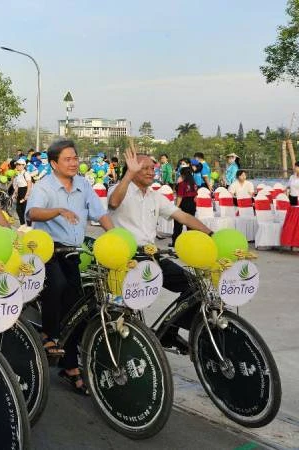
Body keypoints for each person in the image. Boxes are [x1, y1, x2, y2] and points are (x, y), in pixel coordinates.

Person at [26, 138, 113, 395]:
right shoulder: (45, 186)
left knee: (77, 308)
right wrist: (57, 211)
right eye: (67, 159)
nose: (74, 163)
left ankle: (70, 365)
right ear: (54, 163)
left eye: (75, 158)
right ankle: (48, 335)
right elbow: (32, 213)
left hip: (72, 253)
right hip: (48, 250)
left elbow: (101, 214)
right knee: (58, 285)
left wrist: (117, 237)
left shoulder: (83, 185)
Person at [107, 147, 213, 351]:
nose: (150, 171)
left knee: (195, 286)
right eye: (144, 167)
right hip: (126, 257)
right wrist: (128, 175)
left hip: (151, 255)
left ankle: (169, 330)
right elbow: (113, 204)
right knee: (127, 306)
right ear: (132, 169)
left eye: (152, 168)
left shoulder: (155, 196)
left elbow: (183, 216)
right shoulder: (120, 189)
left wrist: (210, 234)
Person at [173, 166, 199, 246]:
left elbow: (180, 197)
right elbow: (195, 196)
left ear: (182, 175)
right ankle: (190, 242)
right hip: (192, 204)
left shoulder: (182, 184)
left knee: (178, 224)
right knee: (190, 224)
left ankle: (176, 242)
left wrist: (176, 207)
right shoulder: (194, 184)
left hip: (183, 204)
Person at [11, 159, 33, 224]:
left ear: (23, 165)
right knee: (18, 210)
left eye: (18, 165)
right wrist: (15, 194)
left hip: (25, 191)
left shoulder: (26, 174)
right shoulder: (18, 174)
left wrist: (27, 195)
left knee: (25, 209)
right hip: (20, 191)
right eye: (17, 165)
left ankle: (29, 225)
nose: (17, 166)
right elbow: (18, 185)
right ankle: (22, 224)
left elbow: (29, 185)